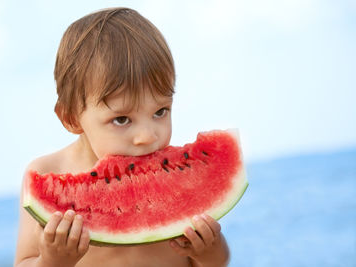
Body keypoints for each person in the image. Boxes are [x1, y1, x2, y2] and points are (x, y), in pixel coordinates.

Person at [14, 7, 230, 267]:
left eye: (160, 111)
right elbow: (24, 262)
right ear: (71, 118)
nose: (147, 136)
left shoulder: (181, 180)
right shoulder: (46, 172)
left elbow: (215, 263)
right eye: (122, 119)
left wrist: (210, 251)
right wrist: (52, 260)